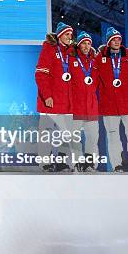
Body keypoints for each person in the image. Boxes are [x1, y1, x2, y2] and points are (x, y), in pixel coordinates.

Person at [94, 27, 128, 172]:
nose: (116, 41)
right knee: (113, 136)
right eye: (113, 39)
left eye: (118, 39)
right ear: (108, 42)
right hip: (109, 105)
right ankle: (117, 164)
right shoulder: (100, 57)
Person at [34, 22, 76, 171]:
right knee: (46, 133)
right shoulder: (49, 49)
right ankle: (44, 163)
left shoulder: (71, 52)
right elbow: (40, 74)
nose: (69, 37)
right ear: (59, 36)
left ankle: (63, 162)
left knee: (65, 134)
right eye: (66, 34)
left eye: (70, 34)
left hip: (66, 102)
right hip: (50, 101)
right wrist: (47, 96)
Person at [69, 31, 99, 172]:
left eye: (88, 43)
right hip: (76, 106)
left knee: (92, 138)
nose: (86, 46)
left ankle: (90, 164)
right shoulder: (71, 60)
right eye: (83, 43)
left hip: (92, 106)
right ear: (79, 45)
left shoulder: (95, 61)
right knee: (75, 138)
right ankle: (77, 163)